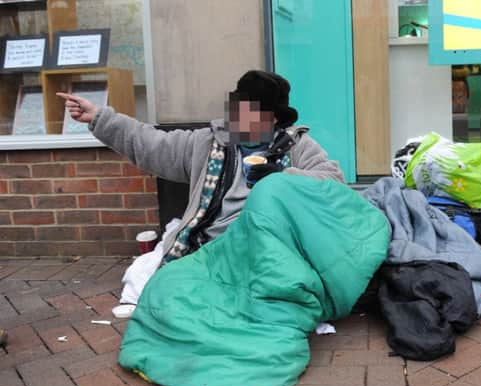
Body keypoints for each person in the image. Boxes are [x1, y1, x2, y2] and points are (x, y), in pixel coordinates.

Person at [57, 70, 344, 263]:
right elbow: (151, 144)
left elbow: (335, 185)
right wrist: (100, 118)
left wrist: (283, 177)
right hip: (211, 247)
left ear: (274, 118)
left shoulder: (298, 146)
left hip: (272, 249)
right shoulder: (207, 143)